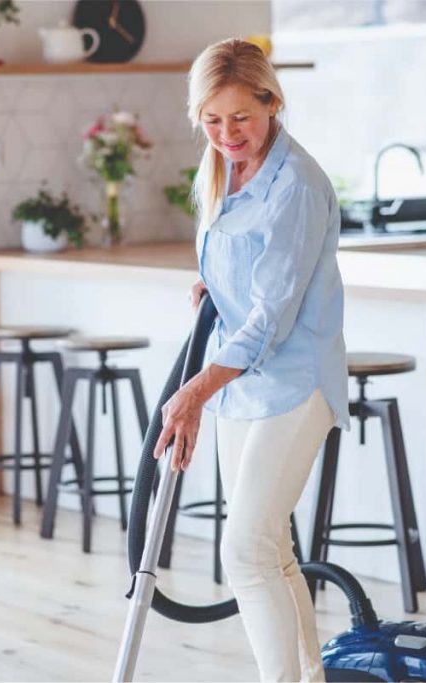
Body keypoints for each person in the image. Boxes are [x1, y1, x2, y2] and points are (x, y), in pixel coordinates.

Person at [152, 38, 349, 682]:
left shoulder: (295, 184)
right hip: (242, 385)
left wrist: (194, 392)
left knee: (244, 550)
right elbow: (243, 270)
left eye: (240, 117)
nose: (227, 133)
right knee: (270, 550)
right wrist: (213, 285)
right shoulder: (221, 171)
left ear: (272, 102)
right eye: (212, 119)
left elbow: (273, 316)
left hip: (295, 381)